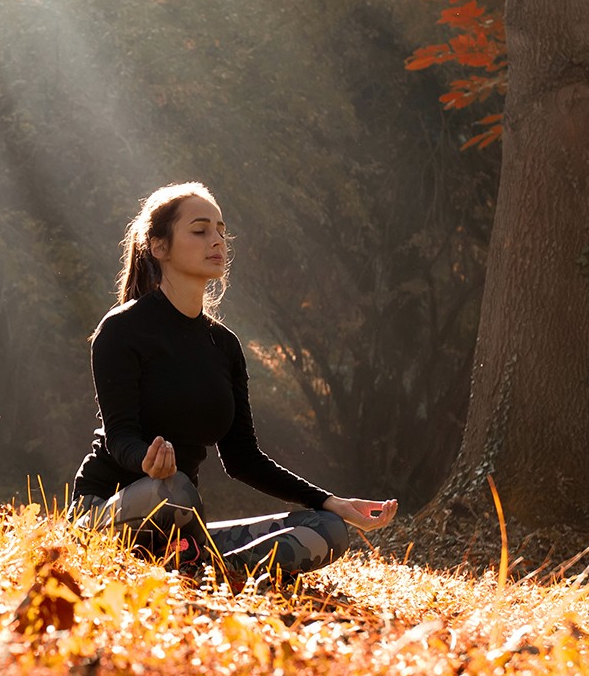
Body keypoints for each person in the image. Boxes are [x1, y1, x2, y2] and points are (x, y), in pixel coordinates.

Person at [69, 182, 398, 579]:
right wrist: (146, 461)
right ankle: (199, 565)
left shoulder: (224, 346)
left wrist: (329, 501)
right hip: (112, 510)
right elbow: (120, 437)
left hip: (183, 528)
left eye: (222, 231)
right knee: (173, 489)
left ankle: (214, 570)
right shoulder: (121, 330)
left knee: (327, 529)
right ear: (159, 246)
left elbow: (244, 458)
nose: (217, 241)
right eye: (200, 230)